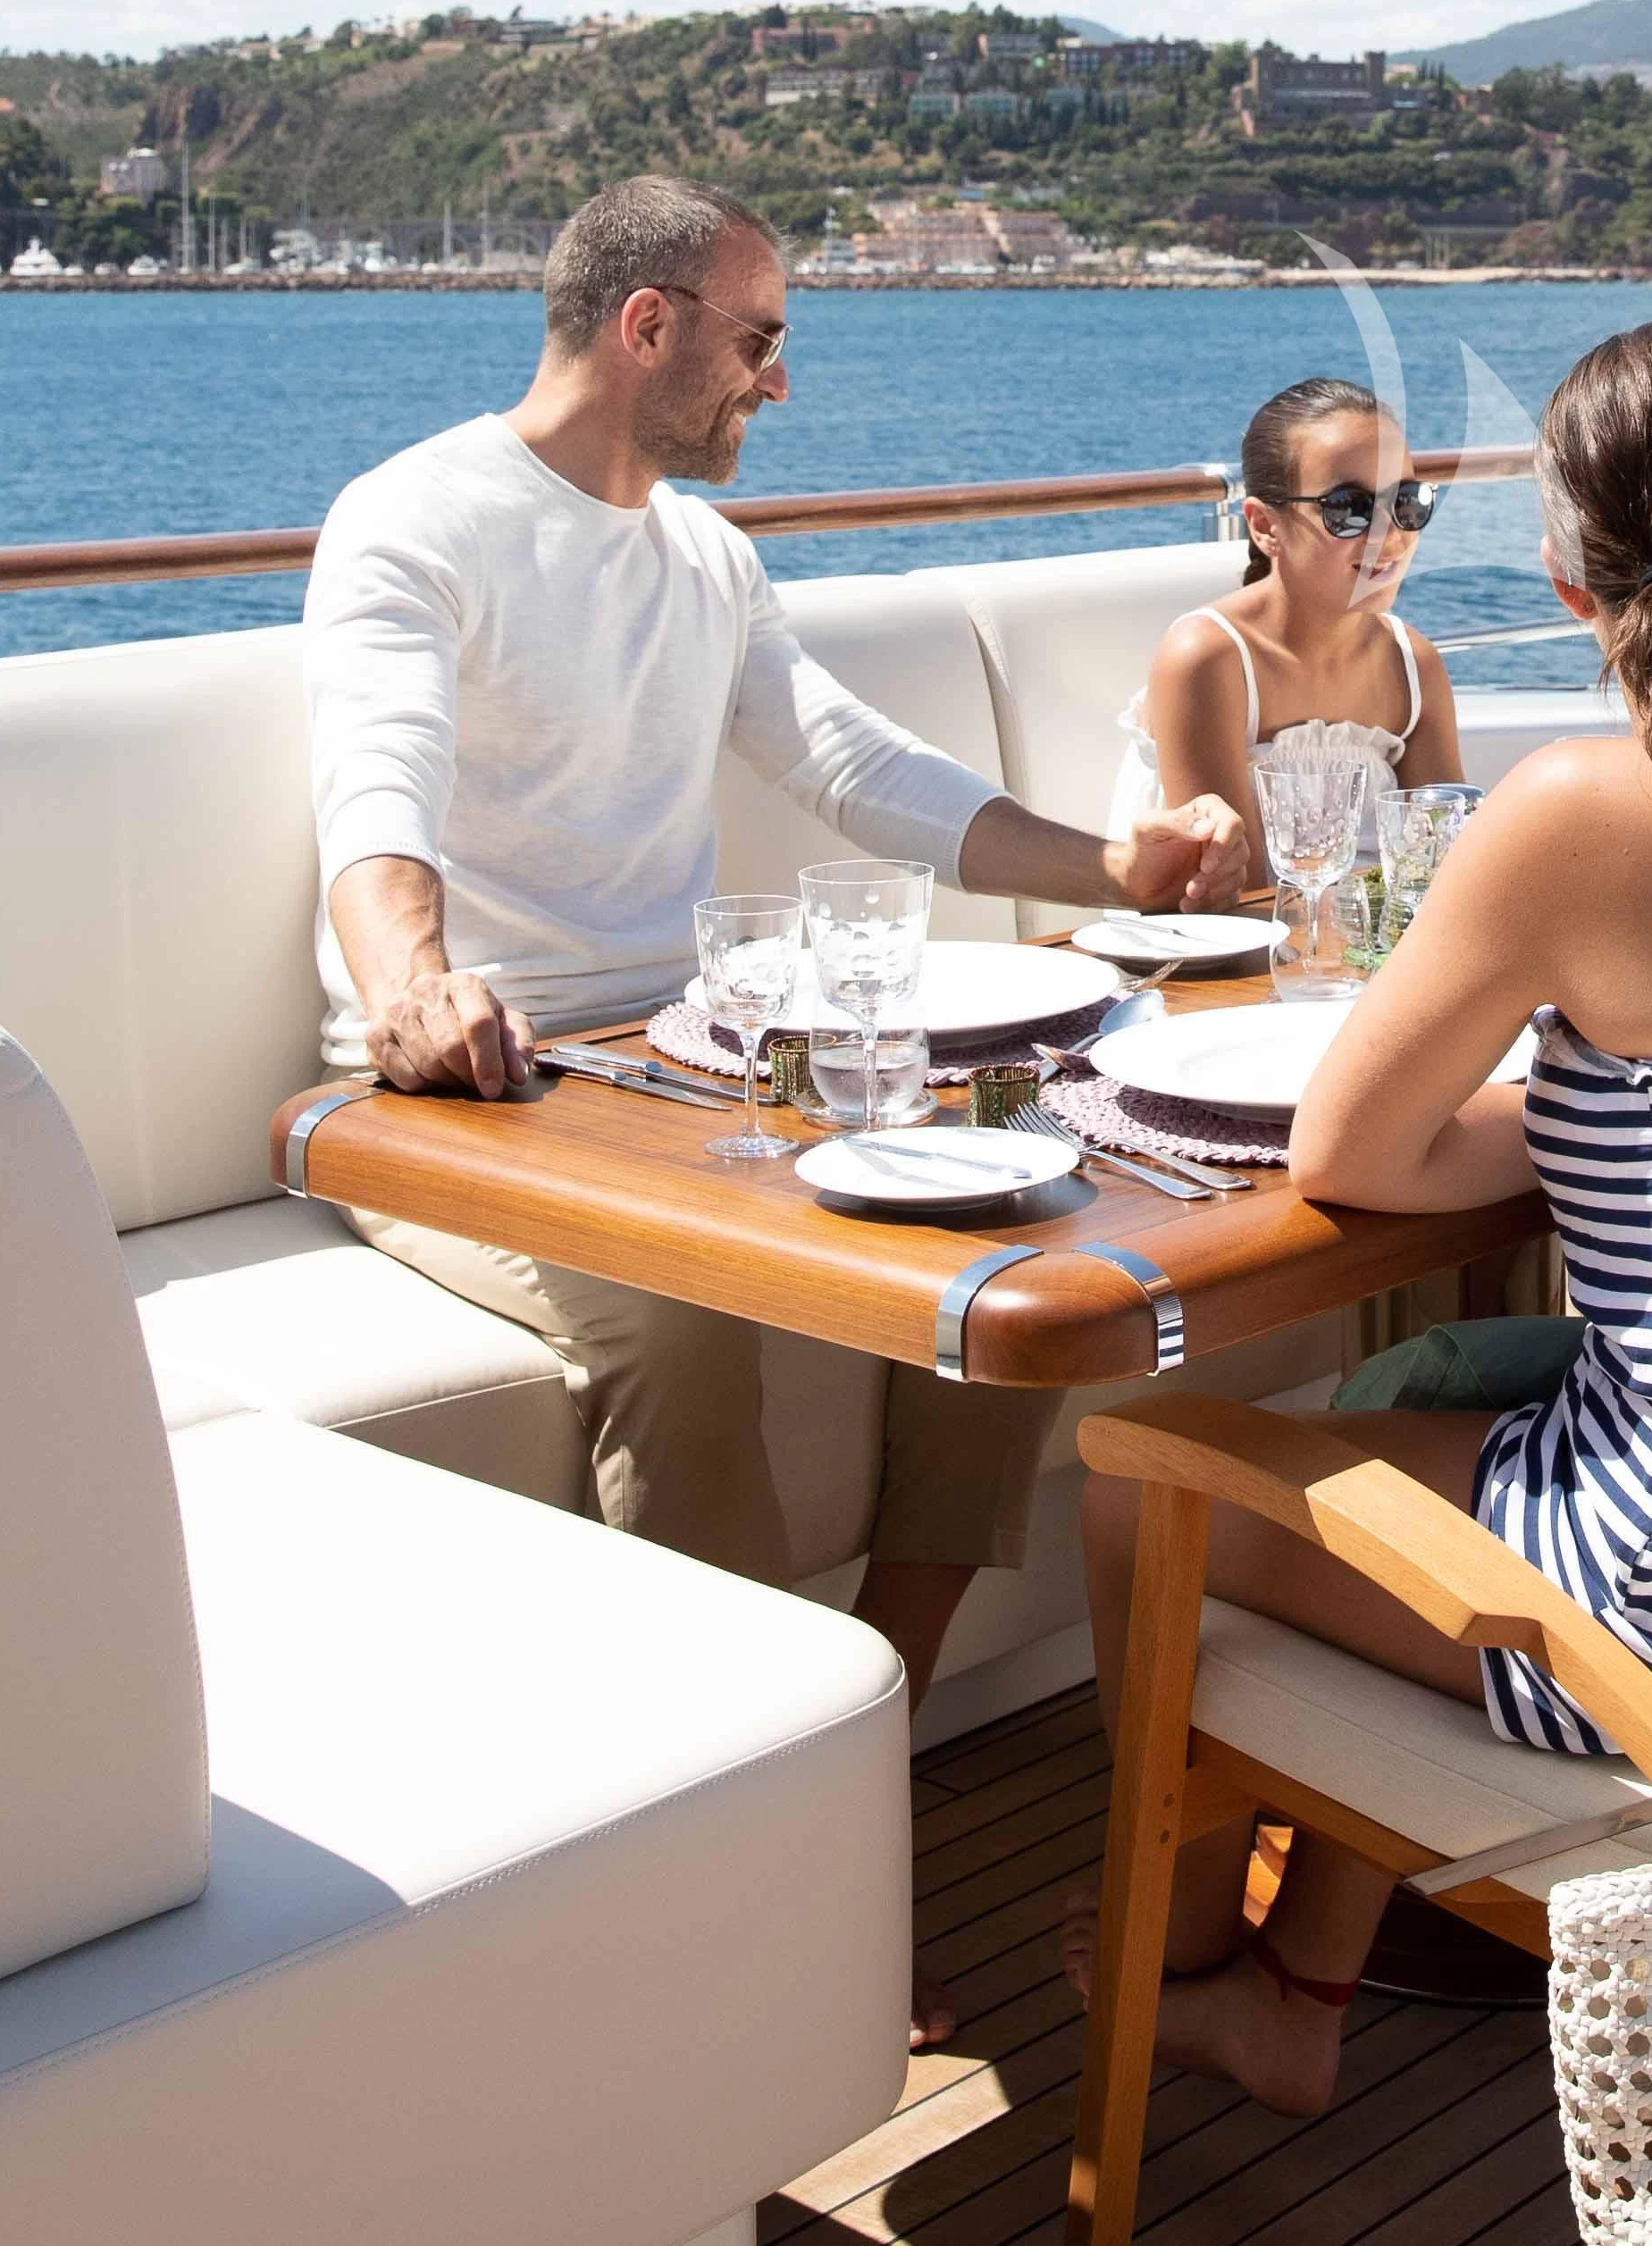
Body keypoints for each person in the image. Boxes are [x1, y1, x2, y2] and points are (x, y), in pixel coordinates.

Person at [1064, 321, 1652, 2118]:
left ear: (1565, 570)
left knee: (1139, 1489)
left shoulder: (1584, 807)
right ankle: (1311, 1978)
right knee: (1422, 1383)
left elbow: (1355, 1151)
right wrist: (1616, 1110)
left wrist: (1565, 1109)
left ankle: (1188, 1983)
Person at [306, 175, 1252, 1971]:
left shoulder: (703, 558)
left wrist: (1109, 867)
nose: (780, 383)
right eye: (761, 340)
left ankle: (861, 1734)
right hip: (459, 1093)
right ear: (647, 327)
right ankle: (725, 1870)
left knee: (1004, 1251)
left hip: (678, 1065)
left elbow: (847, 764)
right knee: (678, 1326)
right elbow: (376, 783)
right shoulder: (415, 523)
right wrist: (415, 989)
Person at [1118, 374, 1464, 861]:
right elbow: (1234, 890)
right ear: (1264, 526)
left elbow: (1440, 859)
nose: (1390, 534)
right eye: (1350, 508)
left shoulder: (1413, 665)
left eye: (1406, 501)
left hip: (1370, 931)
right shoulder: (1209, 659)